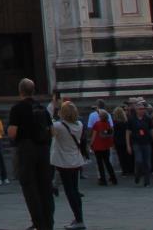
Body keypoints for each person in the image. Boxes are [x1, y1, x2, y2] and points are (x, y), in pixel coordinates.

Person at [8, 78, 54, 230]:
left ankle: (39, 224)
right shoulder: (42, 108)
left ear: (20, 91)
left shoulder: (17, 108)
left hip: (27, 150)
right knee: (45, 187)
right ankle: (49, 224)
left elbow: (12, 133)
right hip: (44, 150)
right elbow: (52, 131)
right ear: (33, 91)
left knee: (30, 188)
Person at [51, 102, 86, 230]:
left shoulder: (58, 126)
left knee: (70, 191)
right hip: (76, 160)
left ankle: (79, 219)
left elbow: (50, 133)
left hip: (63, 162)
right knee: (75, 190)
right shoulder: (80, 125)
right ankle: (79, 218)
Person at [128, 103, 153, 185]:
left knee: (147, 163)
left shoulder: (148, 119)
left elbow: (152, 130)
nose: (142, 110)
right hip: (136, 142)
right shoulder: (131, 119)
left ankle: (147, 181)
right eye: (140, 109)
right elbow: (128, 132)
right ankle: (138, 174)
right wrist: (128, 145)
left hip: (147, 142)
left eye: (143, 109)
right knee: (139, 160)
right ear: (136, 110)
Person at [90, 103, 116, 185]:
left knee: (100, 163)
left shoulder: (97, 124)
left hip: (98, 146)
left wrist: (91, 143)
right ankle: (113, 178)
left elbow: (94, 135)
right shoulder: (108, 123)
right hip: (106, 145)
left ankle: (103, 179)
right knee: (107, 162)